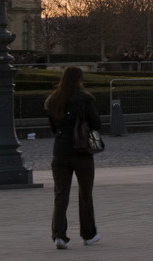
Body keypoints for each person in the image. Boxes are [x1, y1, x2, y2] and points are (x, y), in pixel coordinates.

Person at [45, 66, 103, 248]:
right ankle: (88, 234)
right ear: (79, 79)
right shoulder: (84, 99)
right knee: (85, 194)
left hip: (60, 152)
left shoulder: (53, 100)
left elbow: (53, 128)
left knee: (61, 195)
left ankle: (59, 235)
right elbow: (96, 124)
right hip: (81, 152)